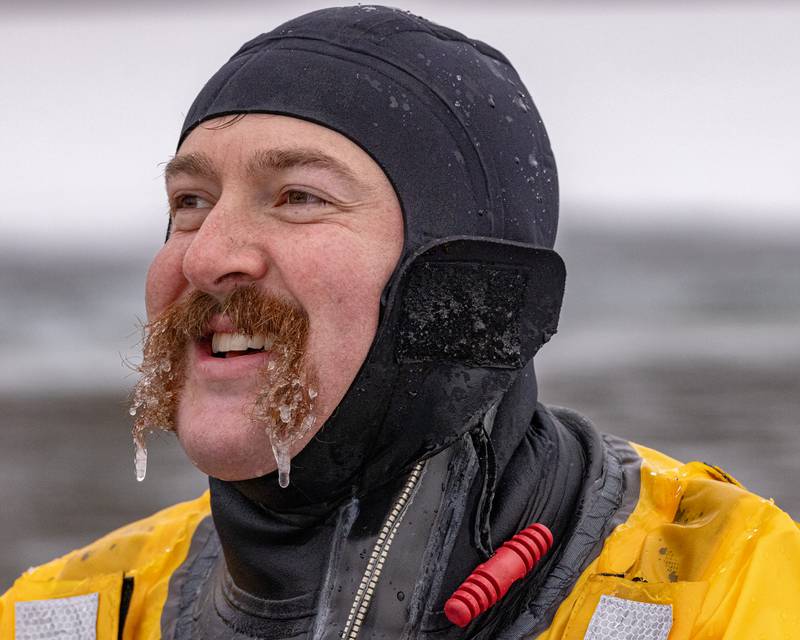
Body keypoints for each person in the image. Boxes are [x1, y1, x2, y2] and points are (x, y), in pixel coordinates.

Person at [2, 6, 798, 639]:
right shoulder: (72, 612)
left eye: (299, 197)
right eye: (190, 203)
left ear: (463, 285)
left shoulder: (734, 594)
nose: (207, 256)